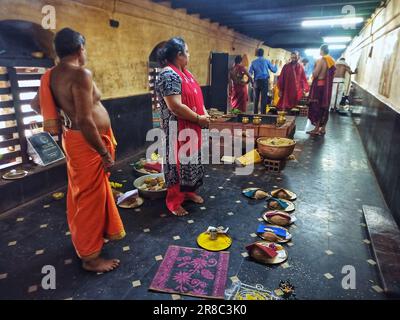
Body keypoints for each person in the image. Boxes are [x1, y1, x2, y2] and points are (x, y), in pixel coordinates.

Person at [31, 28, 125, 273]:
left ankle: (93, 239)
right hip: (87, 143)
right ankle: (91, 259)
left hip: (75, 139)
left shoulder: (51, 75)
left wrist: (62, 115)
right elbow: (85, 119)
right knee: (89, 199)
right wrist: (104, 154)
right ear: (79, 49)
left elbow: (35, 104)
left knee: (84, 194)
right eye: (85, 48)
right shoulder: (80, 73)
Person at [156, 37, 210, 217]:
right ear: (179, 55)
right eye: (187, 52)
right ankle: (173, 202)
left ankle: (188, 192)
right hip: (176, 131)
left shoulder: (186, 73)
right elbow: (175, 106)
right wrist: (198, 118)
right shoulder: (167, 75)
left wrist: (204, 113)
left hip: (192, 128)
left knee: (191, 163)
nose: (189, 55)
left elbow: (197, 98)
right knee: (176, 166)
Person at [307, 44, 336, 136]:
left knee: (317, 107)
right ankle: (323, 128)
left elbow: (315, 74)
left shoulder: (321, 60)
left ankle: (316, 128)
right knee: (325, 107)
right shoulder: (332, 61)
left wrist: (313, 70)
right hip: (327, 88)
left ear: (321, 51)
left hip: (319, 87)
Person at [249, 48, 278, 114]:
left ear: (257, 54)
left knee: (256, 98)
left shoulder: (253, 62)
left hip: (256, 81)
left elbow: (250, 73)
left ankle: (255, 113)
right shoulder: (266, 61)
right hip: (264, 81)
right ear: (263, 53)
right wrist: (276, 65)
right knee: (264, 98)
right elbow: (274, 70)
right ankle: (263, 114)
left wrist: (251, 82)